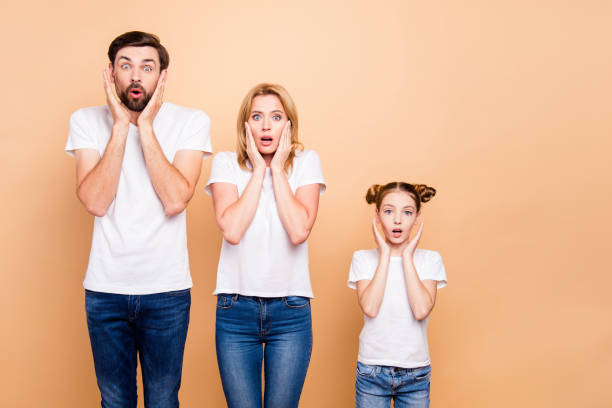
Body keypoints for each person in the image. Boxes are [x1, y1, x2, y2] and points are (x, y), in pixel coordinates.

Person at [64, 31, 212, 407]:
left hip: (166, 291)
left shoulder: (191, 121)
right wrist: (120, 126)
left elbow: (176, 199)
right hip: (105, 291)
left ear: (162, 76)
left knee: (162, 401)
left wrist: (144, 125)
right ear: (111, 72)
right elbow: (96, 201)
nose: (135, 76)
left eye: (147, 67)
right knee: (115, 402)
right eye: (125, 66)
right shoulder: (86, 120)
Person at [205, 83, 325, 408]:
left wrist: (278, 170)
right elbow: (232, 229)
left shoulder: (306, 162)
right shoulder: (226, 163)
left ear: (289, 124)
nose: (267, 125)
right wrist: (259, 168)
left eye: (276, 116)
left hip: (291, 311)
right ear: (245, 126)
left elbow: (299, 230)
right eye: (257, 117)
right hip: (235, 311)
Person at [348, 182, 447, 408]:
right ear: (377, 216)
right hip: (372, 371)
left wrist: (407, 257)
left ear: (417, 218)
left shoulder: (430, 260)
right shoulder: (362, 258)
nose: (398, 220)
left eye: (407, 212)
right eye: (389, 211)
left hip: (416, 374)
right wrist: (384, 255)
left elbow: (421, 310)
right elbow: (370, 308)